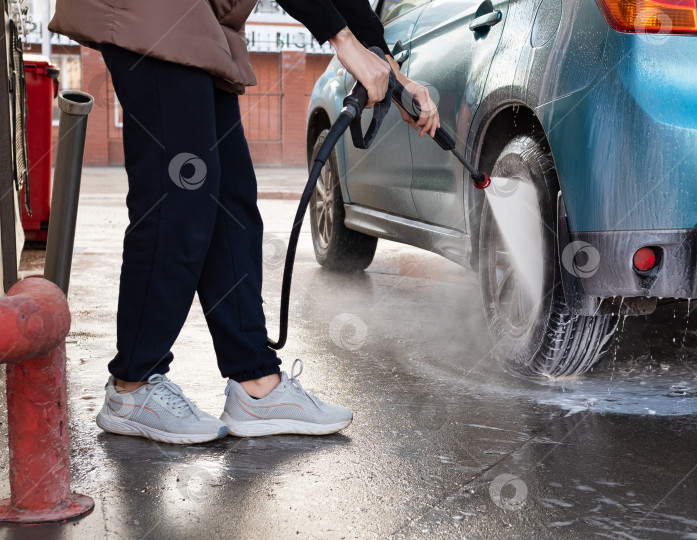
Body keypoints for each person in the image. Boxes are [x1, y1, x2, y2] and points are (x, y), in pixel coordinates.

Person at [48, 0, 440, 445]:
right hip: (151, 10)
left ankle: (256, 384)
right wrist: (342, 41)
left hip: (202, 19)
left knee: (231, 199)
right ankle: (133, 385)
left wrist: (393, 74)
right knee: (180, 193)